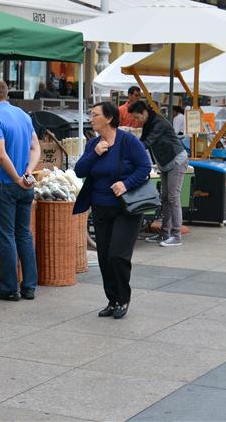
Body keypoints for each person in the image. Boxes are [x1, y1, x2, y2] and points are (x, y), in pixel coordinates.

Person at [74, 102, 151, 319]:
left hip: (126, 208)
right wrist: (94, 154)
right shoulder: (94, 144)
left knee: (118, 255)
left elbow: (144, 166)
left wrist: (126, 184)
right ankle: (112, 299)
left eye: (95, 114)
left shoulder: (128, 141)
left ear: (108, 118)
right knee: (104, 257)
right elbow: (80, 170)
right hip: (100, 208)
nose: (91, 118)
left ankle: (123, 298)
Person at [0, 79, 40, 302]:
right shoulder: (23, 115)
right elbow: (36, 147)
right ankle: (29, 286)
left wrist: (16, 178)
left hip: (5, 185)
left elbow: (1, 154)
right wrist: (27, 173)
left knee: (6, 237)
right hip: (25, 186)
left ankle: (9, 288)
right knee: (24, 234)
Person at [129, 101, 189, 247]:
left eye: (137, 117)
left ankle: (176, 235)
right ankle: (164, 233)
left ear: (144, 112)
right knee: (165, 197)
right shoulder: (148, 123)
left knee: (173, 197)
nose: (136, 121)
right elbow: (141, 141)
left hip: (176, 161)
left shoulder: (159, 122)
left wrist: (128, 152)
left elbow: (147, 142)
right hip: (164, 164)